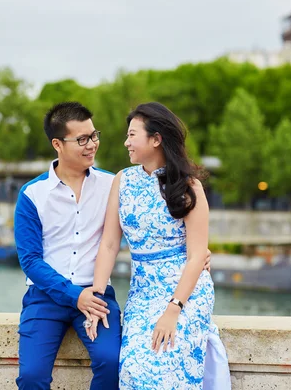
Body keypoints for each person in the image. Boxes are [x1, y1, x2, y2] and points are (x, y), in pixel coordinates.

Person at [13, 101, 223, 390]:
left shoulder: (112, 183)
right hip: (49, 297)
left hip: (127, 294)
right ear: (57, 144)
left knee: (114, 362)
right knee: (32, 376)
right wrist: (79, 296)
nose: (93, 145)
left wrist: (197, 257)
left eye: (94, 136)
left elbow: (188, 244)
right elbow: (33, 261)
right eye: (82, 139)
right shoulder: (33, 194)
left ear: (156, 139)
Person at [87, 102, 231, 389]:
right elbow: (109, 244)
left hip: (186, 292)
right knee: (132, 368)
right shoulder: (123, 180)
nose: (126, 142)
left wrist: (173, 309)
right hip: (143, 290)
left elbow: (197, 256)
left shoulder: (190, 186)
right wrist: (97, 298)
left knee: (164, 364)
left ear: (155, 139)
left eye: (132, 135)